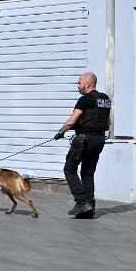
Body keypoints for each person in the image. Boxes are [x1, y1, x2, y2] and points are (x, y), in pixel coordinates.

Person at [53, 71, 111, 218]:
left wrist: (60, 132)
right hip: (99, 139)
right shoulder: (105, 99)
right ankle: (89, 208)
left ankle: (81, 202)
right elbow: (108, 122)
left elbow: (72, 121)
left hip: (84, 139)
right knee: (87, 172)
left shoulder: (85, 100)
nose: (78, 86)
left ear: (88, 83)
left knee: (69, 169)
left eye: (79, 83)